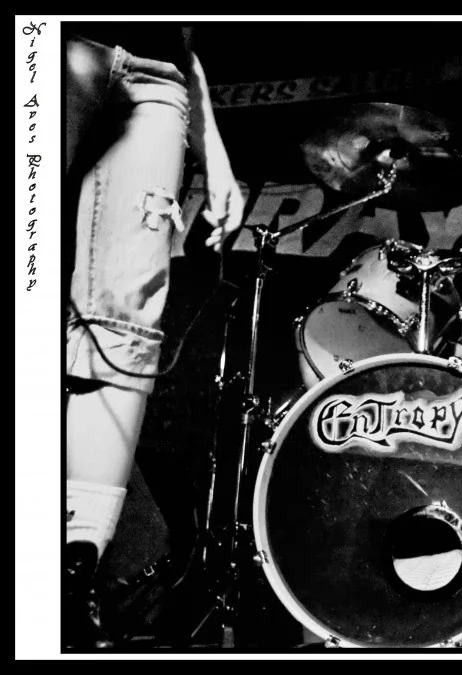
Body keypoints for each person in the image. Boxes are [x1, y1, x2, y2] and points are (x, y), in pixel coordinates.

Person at [64, 25, 244, 649]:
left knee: (126, 323)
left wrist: (212, 151)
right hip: (52, 44)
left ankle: (72, 585)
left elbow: (184, 39)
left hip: (158, 74)